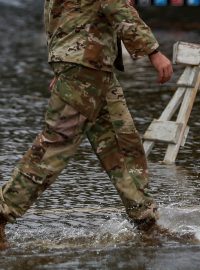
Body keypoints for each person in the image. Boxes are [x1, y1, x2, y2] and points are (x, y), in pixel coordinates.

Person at [0, 0, 173, 248]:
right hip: (85, 66)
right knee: (55, 146)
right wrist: (153, 52)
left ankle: (145, 221)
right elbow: (116, 6)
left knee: (122, 144)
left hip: (91, 66)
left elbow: (58, 14)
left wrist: (63, 63)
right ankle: (3, 210)